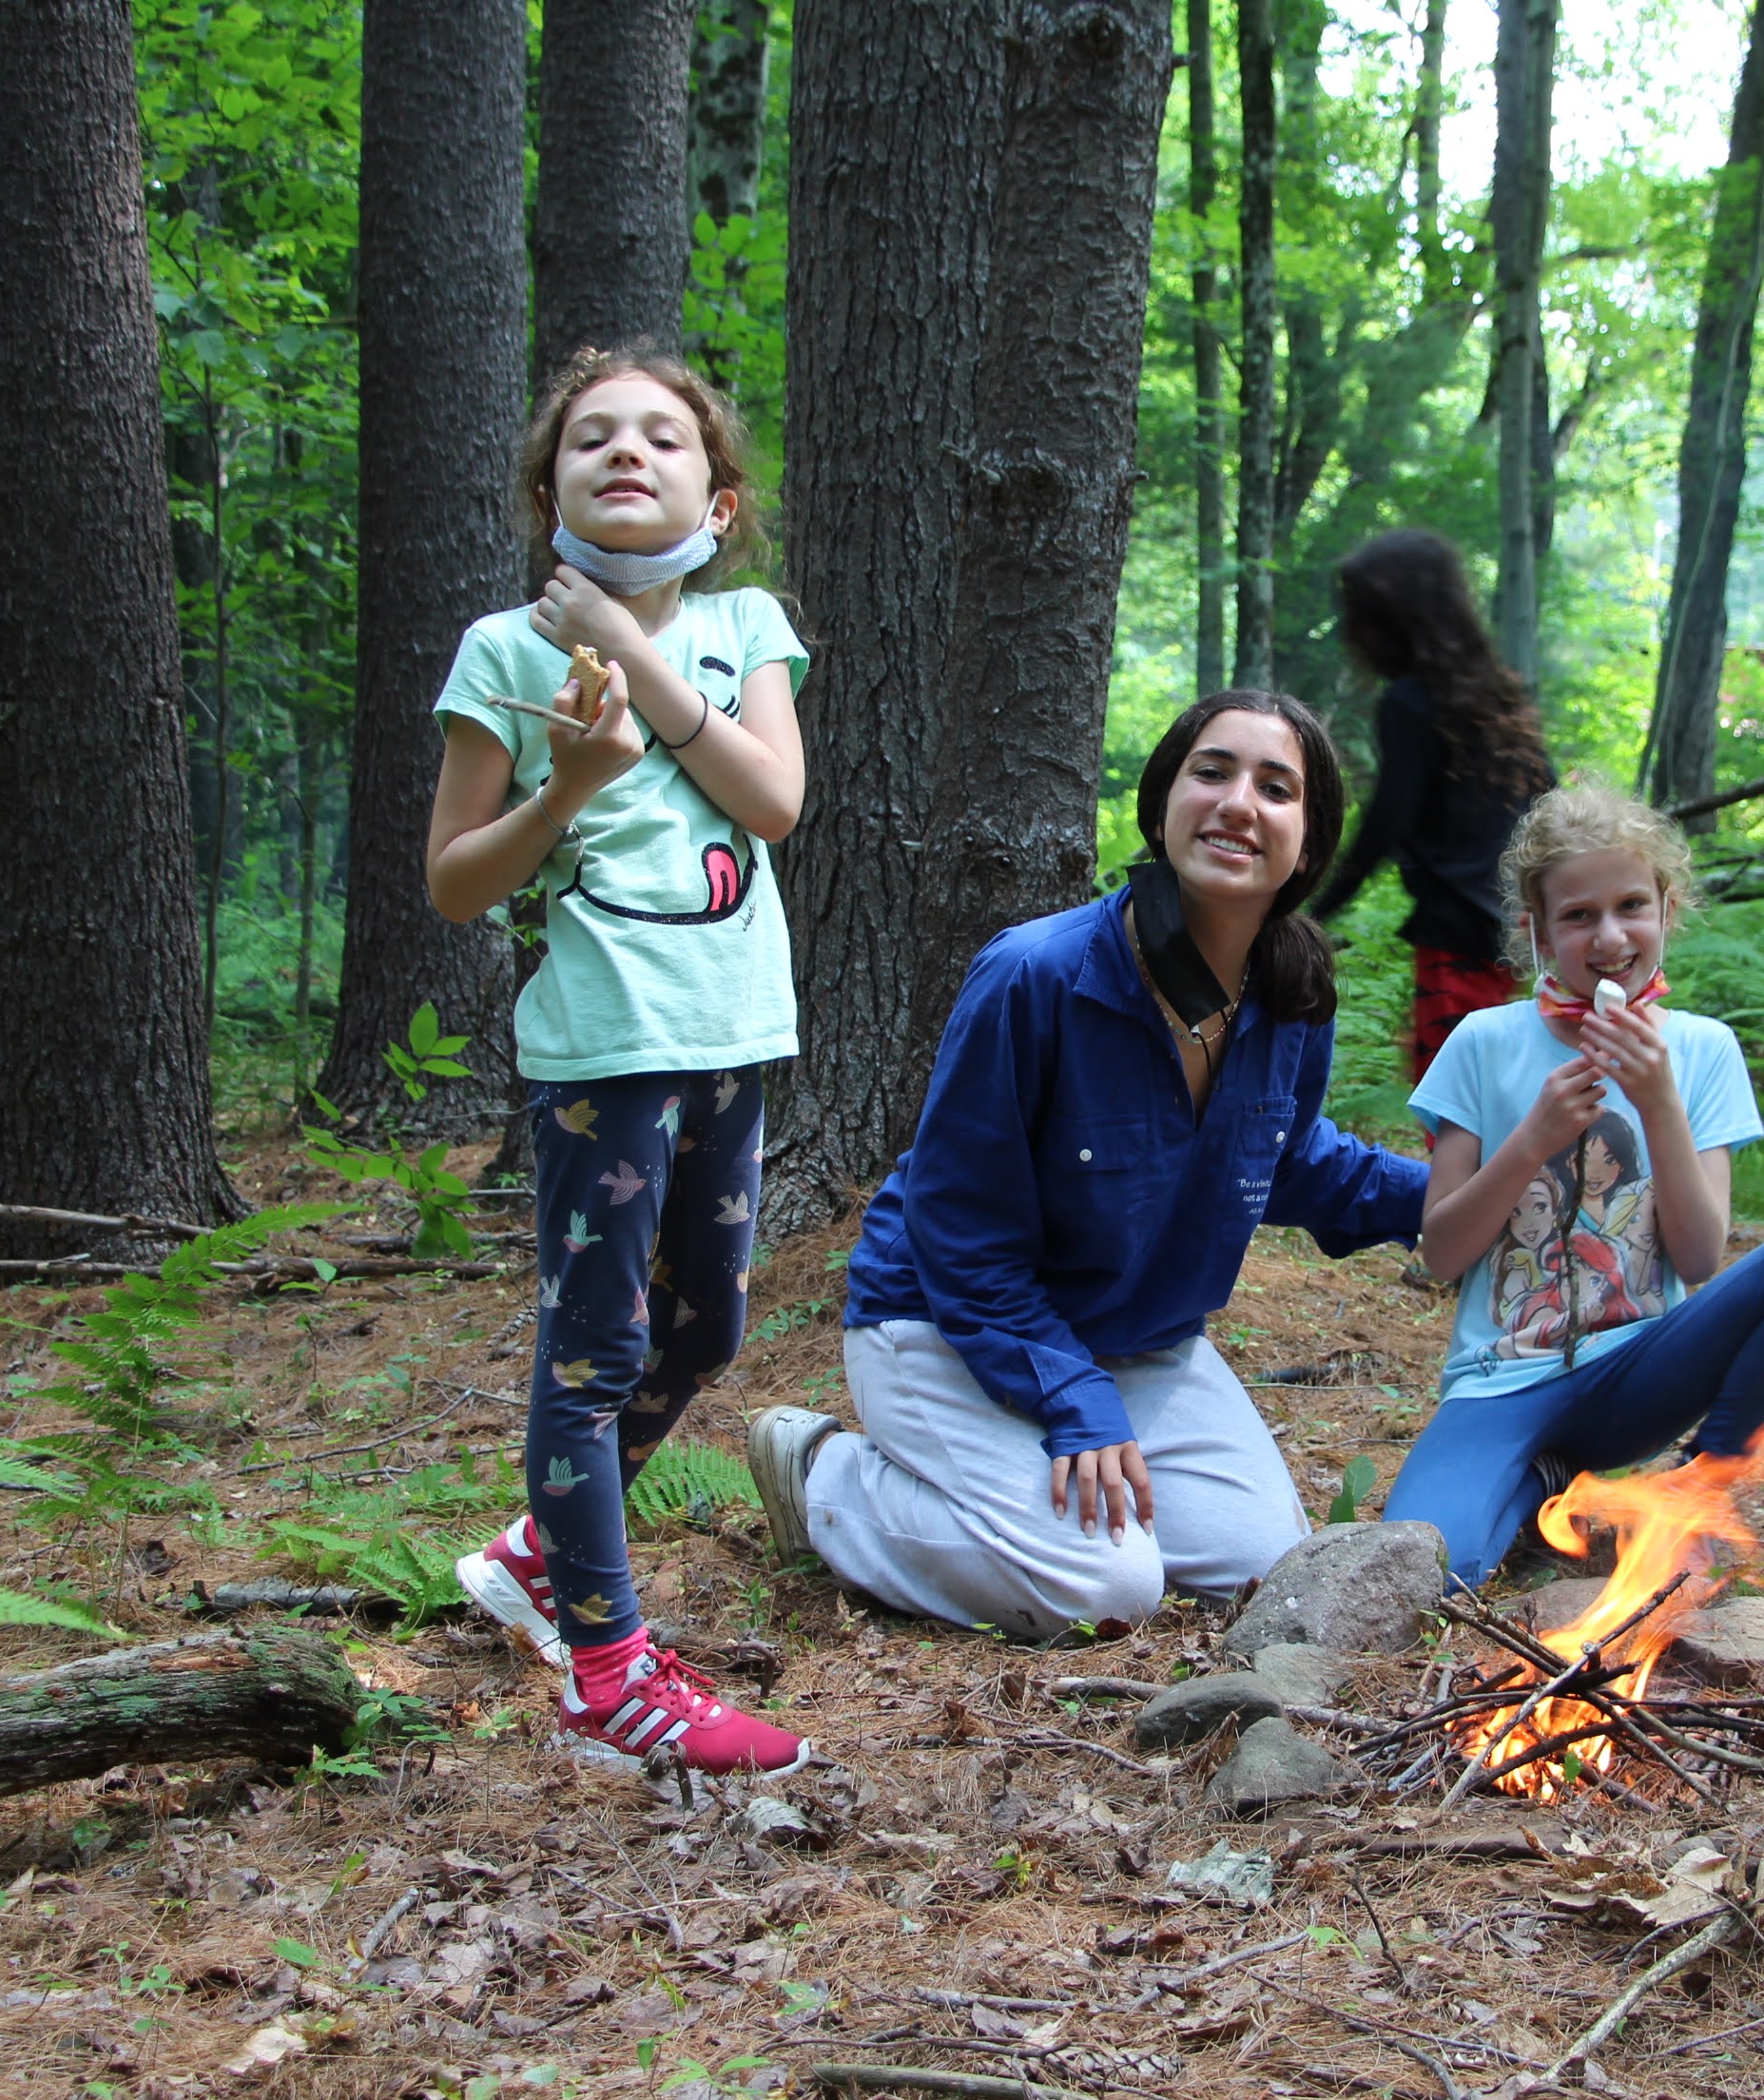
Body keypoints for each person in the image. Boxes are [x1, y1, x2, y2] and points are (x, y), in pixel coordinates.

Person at [745, 692, 1429, 1642]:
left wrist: (1452, 1198)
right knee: (1105, 1589)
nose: (1239, 803)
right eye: (1213, 771)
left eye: (1277, 789)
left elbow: (1291, 1159)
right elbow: (959, 1236)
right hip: (941, 1326)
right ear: (1164, 804)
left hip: (1138, 1339)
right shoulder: (1037, 975)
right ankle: (828, 1476)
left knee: (1264, 1565)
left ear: (1306, 845)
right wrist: (1074, 1399)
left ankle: (1026, 1491)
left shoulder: (1293, 999)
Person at [427, 347, 815, 1776]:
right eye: (593, 437)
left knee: (703, 1330)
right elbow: (457, 884)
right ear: (550, 486)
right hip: (602, 1051)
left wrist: (631, 647)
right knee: (591, 1357)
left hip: (734, 1035)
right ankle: (607, 1671)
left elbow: (770, 802)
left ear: (720, 493)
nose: (627, 453)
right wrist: (573, 785)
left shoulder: (746, 621)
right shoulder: (504, 651)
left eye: (664, 435)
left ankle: (544, 1551)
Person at [1378, 784, 1764, 1588]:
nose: (1609, 937)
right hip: (1501, 1382)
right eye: (1578, 916)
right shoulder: (1483, 1043)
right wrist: (1533, 1138)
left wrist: (1659, 1101)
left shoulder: (1703, 1051)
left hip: (1640, 1368)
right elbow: (1440, 1253)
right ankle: (1548, 1486)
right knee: (1433, 1571)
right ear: (1537, 931)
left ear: (1668, 910)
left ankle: (1696, 1494)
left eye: (1631, 905)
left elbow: (1701, 1256)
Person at [1308, 530, 1556, 1084]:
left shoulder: (1410, 703)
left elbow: (1388, 821)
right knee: (1494, 1090)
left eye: (1362, 615)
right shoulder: (1499, 695)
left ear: (1396, 617)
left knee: (1455, 1098)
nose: (1354, 632)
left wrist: (1316, 910)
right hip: (1517, 931)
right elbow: (1550, 798)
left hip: (1457, 933)